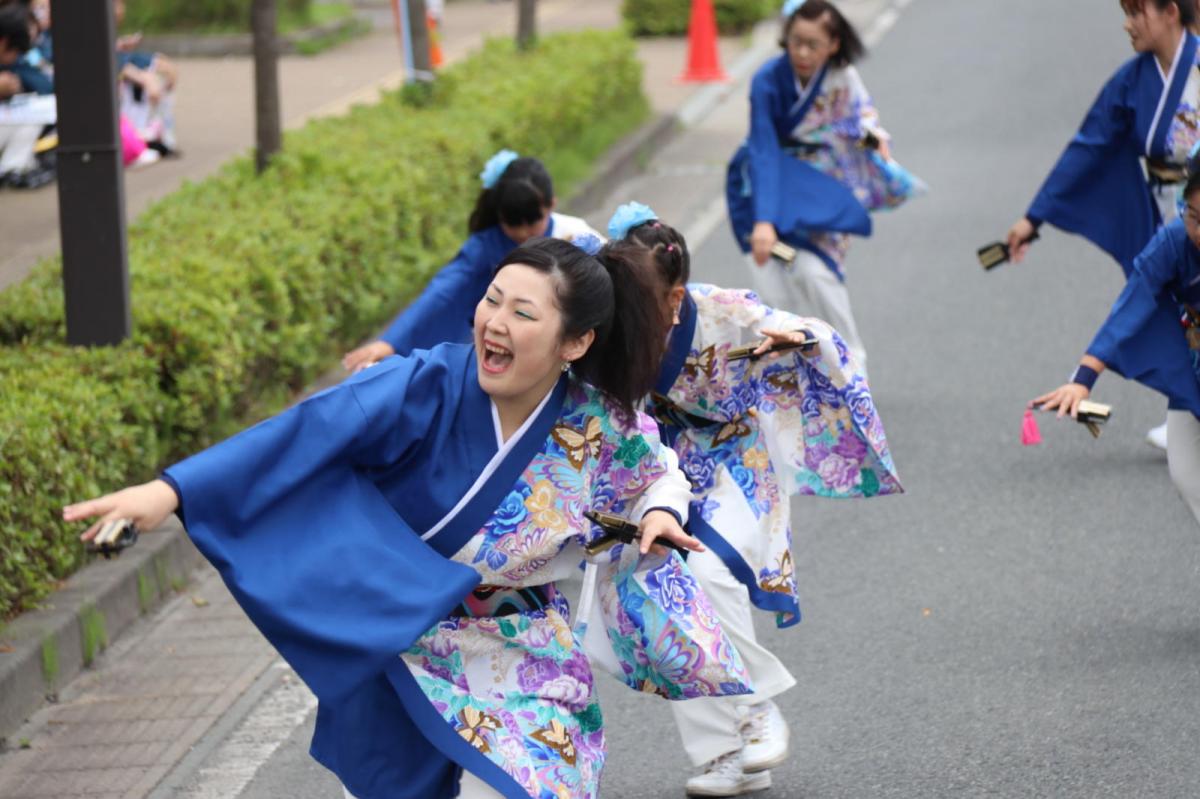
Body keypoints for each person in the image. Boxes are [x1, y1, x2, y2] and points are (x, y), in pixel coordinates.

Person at [65, 238, 755, 799]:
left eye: (522, 312)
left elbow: (653, 472)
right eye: (491, 301)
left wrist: (660, 512)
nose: (494, 322)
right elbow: (307, 429)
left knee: (535, 784)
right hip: (397, 632)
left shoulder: (598, 420)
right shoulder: (420, 384)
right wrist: (171, 492)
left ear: (574, 343)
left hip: (515, 646)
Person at [608, 202, 902, 797]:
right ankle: (721, 755)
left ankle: (757, 704)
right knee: (666, 598)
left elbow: (813, 335)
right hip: (661, 466)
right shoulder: (616, 327)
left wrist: (796, 339)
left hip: (737, 461)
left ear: (676, 294)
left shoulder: (725, 309)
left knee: (709, 574)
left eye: (646, 301)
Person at [1006, 0, 1200, 452]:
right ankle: (1185, 411)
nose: (1127, 24)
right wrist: (1034, 216)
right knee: (1164, 313)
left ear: (1170, 11)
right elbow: (1090, 145)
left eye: (1137, 13)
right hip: (1167, 219)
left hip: (1191, 210)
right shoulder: (1133, 81)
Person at [727, 0, 923, 375]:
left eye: (813, 44)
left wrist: (872, 139)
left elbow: (862, 118)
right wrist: (764, 221)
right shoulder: (767, 80)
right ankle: (787, 377)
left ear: (833, 44)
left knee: (819, 273)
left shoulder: (841, 78)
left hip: (819, 196)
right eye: (796, 41)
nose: (802, 52)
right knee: (773, 280)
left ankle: (851, 367)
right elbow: (764, 151)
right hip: (764, 193)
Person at [1032, 164, 1200, 528]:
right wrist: (1082, 379)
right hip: (1195, 372)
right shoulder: (1174, 243)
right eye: (1194, 216)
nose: (1199, 232)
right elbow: (1133, 303)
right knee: (1186, 475)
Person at [343, 150, 600, 372]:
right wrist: (393, 341)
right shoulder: (485, 247)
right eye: (513, 226)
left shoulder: (575, 236)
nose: (524, 235)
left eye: (532, 224)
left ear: (551, 204)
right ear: (498, 213)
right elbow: (442, 292)